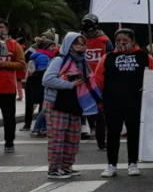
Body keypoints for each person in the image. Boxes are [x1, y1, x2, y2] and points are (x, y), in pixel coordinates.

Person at [93, 29, 153, 178]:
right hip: (113, 102)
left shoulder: (144, 57)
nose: (122, 43)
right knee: (112, 134)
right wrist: (99, 100)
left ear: (133, 40)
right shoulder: (107, 58)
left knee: (134, 133)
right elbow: (98, 80)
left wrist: (149, 86)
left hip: (136, 102)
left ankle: (133, 163)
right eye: (118, 40)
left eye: (125, 40)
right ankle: (111, 165)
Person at [42, 33, 96, 178]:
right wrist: (70, 84)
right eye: (76, 44)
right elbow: (47, 79)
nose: (80, 47)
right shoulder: (59, 60)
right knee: (57, 136)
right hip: (56, 102)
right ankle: (54, 168)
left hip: (74, 102)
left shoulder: (82, 62)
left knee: (73, 136)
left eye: (83, 44)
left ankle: (66, 166)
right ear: (68, 45)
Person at [80, 14, 113, 149]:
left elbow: (111, 58)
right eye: (86, 30)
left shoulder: (105, 40)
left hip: (99, 80)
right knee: (79, 110)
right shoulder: (78, 39)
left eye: (91, 29)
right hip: (81, 80)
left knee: (100, 112)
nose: (89, 32)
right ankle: (76, 138)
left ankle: (101, 141)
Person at [0, 19, 27, 153]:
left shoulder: (14, 45)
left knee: (9, 117)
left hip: (7, 87)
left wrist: (6, 65)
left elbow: (22, 64)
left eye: (1, 28)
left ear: (7, 29)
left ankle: (9, 142)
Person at [24, 38, 56, 137]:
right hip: (42, 84)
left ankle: (41, 128)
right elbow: (42, 71)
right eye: (51, 46)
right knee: (45, 107)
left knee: (44, 107)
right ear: (46, 47)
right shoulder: (43, 57)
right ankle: (39, 128)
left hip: (39, 84)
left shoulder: (42, 55)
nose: (53, 48)